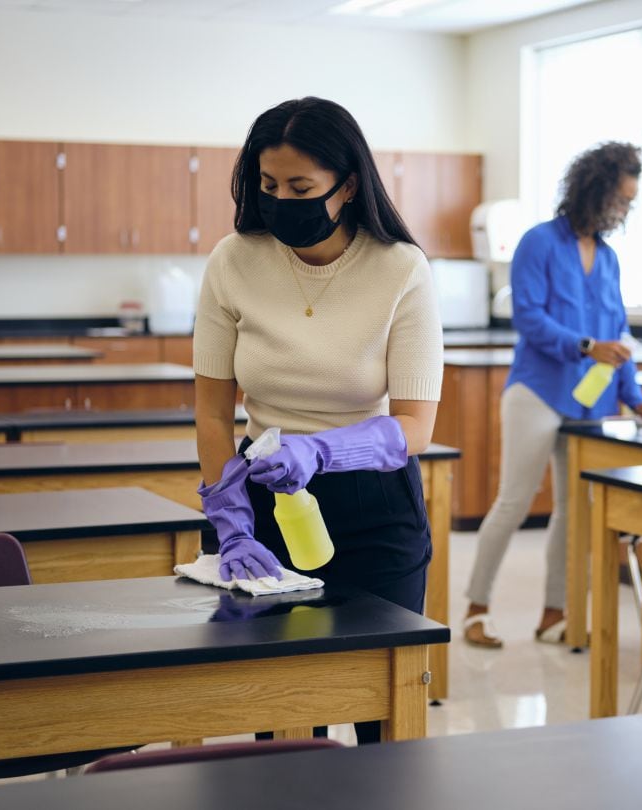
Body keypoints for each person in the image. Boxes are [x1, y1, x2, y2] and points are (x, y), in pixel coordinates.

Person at [193, 97, 443, 740]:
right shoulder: (233, 261)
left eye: (301, 187)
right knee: (280, 710)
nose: (281, 201)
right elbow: (212, 409)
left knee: (380, 712)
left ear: (348, 183)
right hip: (264, 499)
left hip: (373, 507)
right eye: (267, 185)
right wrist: (229, 516)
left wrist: (325, 451)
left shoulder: (401, 270)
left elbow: (417, 426)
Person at [463, 141, 642, 648]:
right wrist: (585, 346)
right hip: (536, 391)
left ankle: (554, 614)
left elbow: (617, 334)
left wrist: (636, 396)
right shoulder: (539, 243)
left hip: (590, 403)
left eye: (630, 203)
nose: (624, 210)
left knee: (571, 512)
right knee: (513, 502)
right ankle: (475, 609)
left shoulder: (610, 258)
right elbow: (529, 318)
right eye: (621, 200)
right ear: (595, 190)